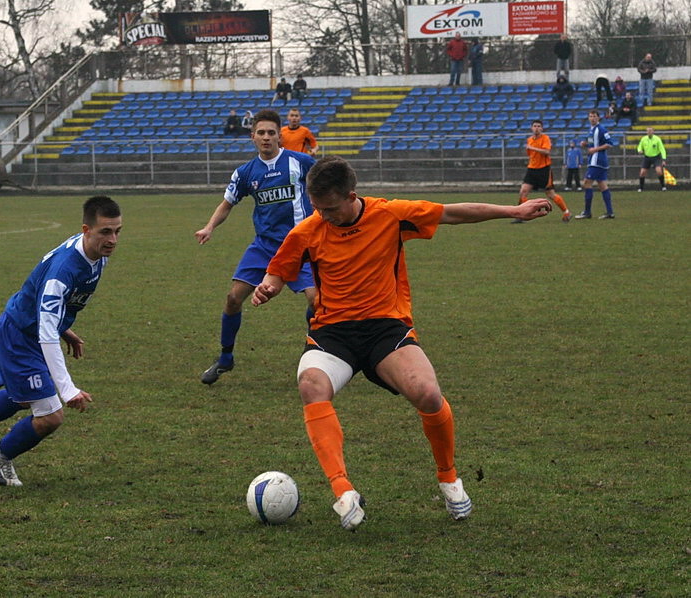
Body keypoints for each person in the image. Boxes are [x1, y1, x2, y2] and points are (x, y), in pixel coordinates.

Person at [251, 155, 553, 531]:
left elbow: (452, 213)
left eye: (329, 208)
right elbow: (279, 271)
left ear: (352, 196)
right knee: (311, 386)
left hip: (385, 330)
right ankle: (343, 491)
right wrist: (268, 287)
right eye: (316, 208)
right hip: (333, 333)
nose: (322, 216)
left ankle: (449, 479)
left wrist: (515, 210)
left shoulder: (390, 215)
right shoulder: (308, 230)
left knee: (427, 393)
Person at [0, 196, 122, 486]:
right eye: (105, 232)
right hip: (20, 336)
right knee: (51, 416)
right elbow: (46, 328)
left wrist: (63, 327)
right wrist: (67, 388)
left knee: (23, 396)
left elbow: (47, 305)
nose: (112, 240)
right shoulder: (63, 271)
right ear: (86, 230)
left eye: (117, 231)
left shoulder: (94, 253)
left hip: (30, 328)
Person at [195, 109, 317, 385]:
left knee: (317, 300)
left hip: (301, 247)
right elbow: (227, 204)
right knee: (233, 298)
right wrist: (209, 227)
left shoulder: (302, 162)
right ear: (253, 137)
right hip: (264, 247)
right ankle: (225, 357)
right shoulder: (246, 172)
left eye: (271, 132)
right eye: (260, 133)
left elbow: (326, 185)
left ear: (280, 136)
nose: (266, 137)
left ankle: (314, 349)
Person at [513, 120, 571, 223]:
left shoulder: (545, 138)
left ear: (542, 128)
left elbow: (546, 152)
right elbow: (530, 154)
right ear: (531, 128)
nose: (536, 128)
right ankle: (520, 216)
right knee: (523, 191)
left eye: (538, 126)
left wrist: (533, 148)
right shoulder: (529, 139)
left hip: (544, 169)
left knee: (550, 194)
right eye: (534, 126)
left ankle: (566, 212)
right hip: (532, 169)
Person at [576, 110, 616, 219]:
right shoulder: (591, 130)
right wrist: (585, 144)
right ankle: (610, 212)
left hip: (598, 161)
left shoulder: (601, 129)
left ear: (598, 118)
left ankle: (587, 212)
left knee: (586, 183)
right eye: (590, 116)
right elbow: (591, 144)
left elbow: (610, 143)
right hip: (593, 160)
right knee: (602, 185)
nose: (592, 118)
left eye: (594, 116)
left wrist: (595, 149)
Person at [636, 126, 667, 191]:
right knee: (642, 173)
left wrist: (664, 159)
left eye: (650, 131)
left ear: (653, 131)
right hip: (647, 157)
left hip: (656, 157)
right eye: (648, 131)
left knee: (659, 171)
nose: (649, 132)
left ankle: (663, 186)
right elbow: (639, 146)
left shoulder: (657, 139)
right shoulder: (643, 139)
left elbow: (662, 149)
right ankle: (641, 188)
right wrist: (639, 150)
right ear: (646, 132)